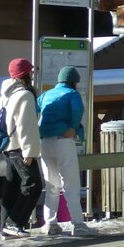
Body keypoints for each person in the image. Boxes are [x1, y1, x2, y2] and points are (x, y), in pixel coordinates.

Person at [36, 66, 92, 236]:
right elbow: (78, 110)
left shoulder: (46, 95)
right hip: (63, 140)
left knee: (51, 184)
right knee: (71, 183)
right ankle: (78, 224)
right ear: (74, 82)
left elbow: (34, 110)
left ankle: (50, 223)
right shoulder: (72, 94)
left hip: (44, 142)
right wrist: (73, 128)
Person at [0, 58, 43, 239]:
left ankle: (5, 227)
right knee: (33, 185)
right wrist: (30, 152)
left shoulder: (5, 95)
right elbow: (26, 125)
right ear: (26, 75)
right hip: (20, 147)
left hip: (7, 147)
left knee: (12, 186)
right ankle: (13, 224)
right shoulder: (25, 95)